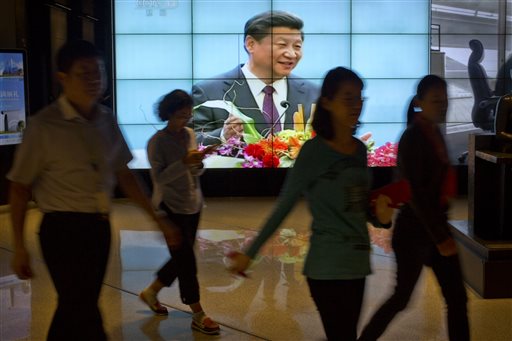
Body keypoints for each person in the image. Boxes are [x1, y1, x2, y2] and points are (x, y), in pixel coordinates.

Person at [7, 40, 180, 341]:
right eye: (84, 73)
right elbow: (20, 187)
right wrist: (19, 246)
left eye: (97, 72)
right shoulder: (44, 125)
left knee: (77, 305)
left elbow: (125, 177)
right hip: (61, 230)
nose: (93, 80)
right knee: (82, 306)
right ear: (63, 78)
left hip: (98, 228)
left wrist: (158, 220)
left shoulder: (105, 119)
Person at [228, 67, 391, 340]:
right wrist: (250, 253)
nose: (356, 105)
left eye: (359, 98)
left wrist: (381, 217)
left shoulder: (359, 151)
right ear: (326, 102)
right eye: (348, 98)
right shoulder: (314, 152)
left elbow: (359, 206)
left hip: (357, 262)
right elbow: (285, 205)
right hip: (326, 265)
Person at [358, 75, 470, 341]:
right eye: (436, 101)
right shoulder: (413, 137)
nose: (443, 106)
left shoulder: (433, 132)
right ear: (420, 103)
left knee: (456, 297)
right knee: (401, 298)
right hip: (415, 233)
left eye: (445, 100)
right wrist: (440, 237)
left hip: (432, 228)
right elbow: (416, 193)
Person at [138, 89, 220, 335]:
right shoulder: (156, 142)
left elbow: (195, 172)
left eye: (187, 116)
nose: (184, 121)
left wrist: (198, 163)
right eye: (180, 116)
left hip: (192, 204)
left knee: (181, 256)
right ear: (168, 114)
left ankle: (151, 292)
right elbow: (160, 179)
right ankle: (197, 312)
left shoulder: (189, 135)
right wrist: (184, 162)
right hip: (169, 207)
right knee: (186, 261)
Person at [192, 10, 319, 145]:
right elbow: (189, 143)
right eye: (282, 45)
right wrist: (223, 135)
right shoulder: (208, 92)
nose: (292, 54)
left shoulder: (314, 93)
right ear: (250, 44)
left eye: (297, 46)